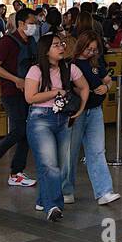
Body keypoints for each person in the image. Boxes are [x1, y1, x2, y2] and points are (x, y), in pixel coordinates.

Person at [24, 32, 90, 221]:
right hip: (40, 120)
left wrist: (80, 109)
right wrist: (56, 92)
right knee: (50, 165)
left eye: (61, 44)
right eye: (56, 45)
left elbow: (84, 87)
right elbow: (30, 97)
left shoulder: (70, 68)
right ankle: (53, 206)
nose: (61, 47)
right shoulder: (35, 71)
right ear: (45, 51)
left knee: (59, 165)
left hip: (63, 120)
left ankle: (42, 200)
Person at [0, 7, 38, 188]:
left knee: (24, 133)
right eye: (31, 23)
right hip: (11, 93)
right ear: (21, 23)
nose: (34, 26)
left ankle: (16, 172)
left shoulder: (31, 42)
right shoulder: (7, 42)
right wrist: (15, 79)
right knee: (19, 130)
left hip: (28, 92)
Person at [65, 30, 120, 206]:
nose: (90, 52)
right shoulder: (71, 65)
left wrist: (106, 87)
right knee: (70, 153)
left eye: (94, 49)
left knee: (97, 151)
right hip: (78, 113)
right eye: (88, 49)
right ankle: (66, 190)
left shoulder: (96, 63)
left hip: (95, 110)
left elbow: (108, 80)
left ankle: (104, 191)